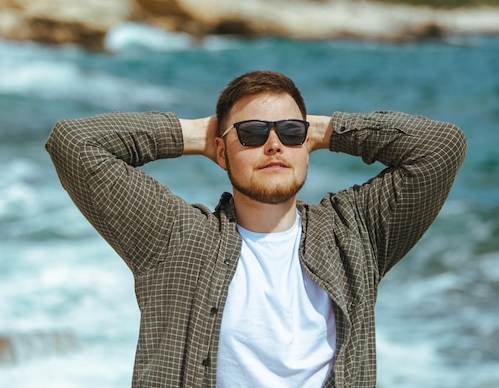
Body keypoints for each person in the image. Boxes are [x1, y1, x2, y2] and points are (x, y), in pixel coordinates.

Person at [46, 70, 466, 388]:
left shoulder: (355, 233)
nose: (274, 145)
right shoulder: (174, 237)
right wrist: (196, 134)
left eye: (289, 131)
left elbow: (441, 148)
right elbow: (74, 143)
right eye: (251, 133)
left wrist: (326, 130)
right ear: (221, 151)